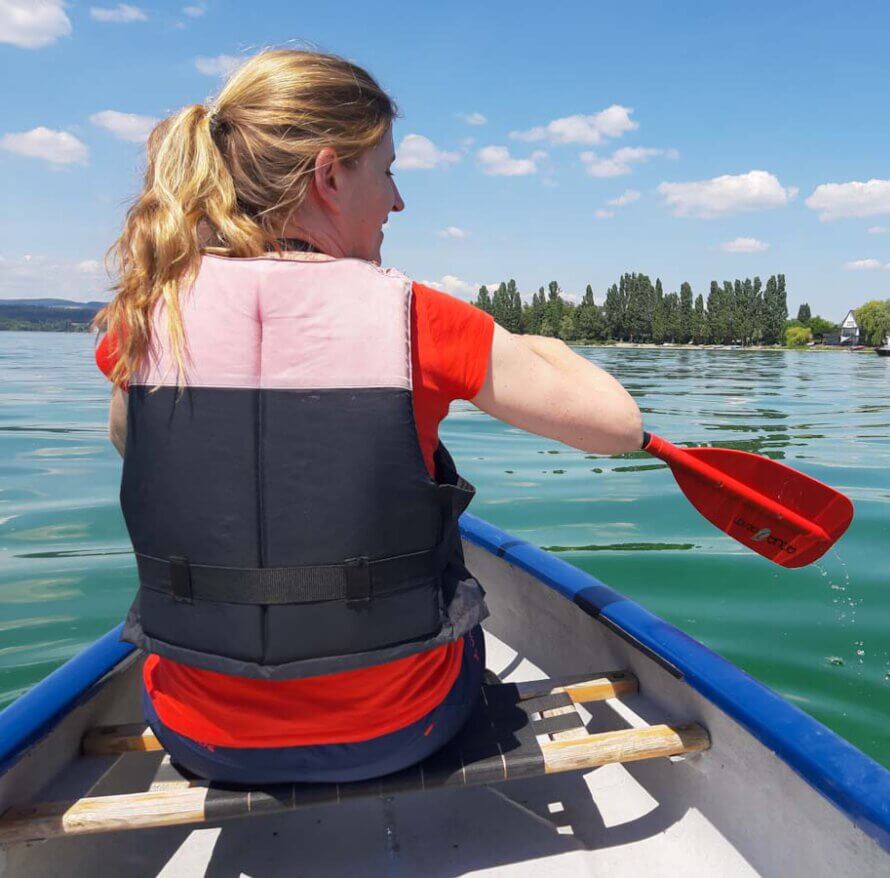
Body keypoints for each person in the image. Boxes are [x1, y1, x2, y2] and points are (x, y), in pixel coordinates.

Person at [94, 48, 643, 785]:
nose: (398, 200)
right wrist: (538, 346)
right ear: (329, 175)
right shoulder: (419, 317)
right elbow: (618, 425)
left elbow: (136, 450)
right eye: (386, 170)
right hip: (401, 726)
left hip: (198, 735)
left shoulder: (143, 319)